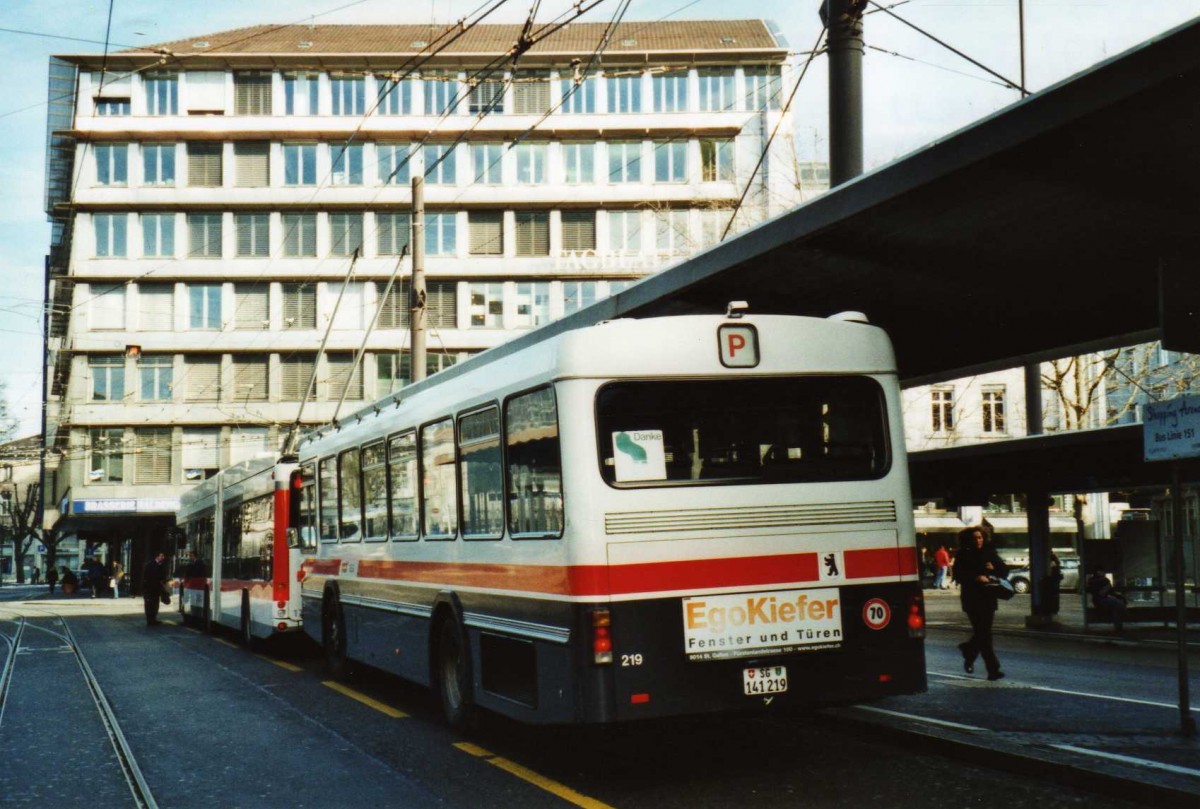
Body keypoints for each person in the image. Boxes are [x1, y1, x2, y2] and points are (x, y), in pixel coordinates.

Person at [953, 526, 1009, 681]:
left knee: (984, 633)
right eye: (975, 538)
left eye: (980, 537)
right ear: (969, 540)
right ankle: (992, 669)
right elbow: (958, 574)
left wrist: (994, 567)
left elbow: (1004, 571)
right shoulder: (963, 554)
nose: (978, 540)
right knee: (984, 633)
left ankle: (969, 651)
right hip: (972, 599)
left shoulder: (990, 552)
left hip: (988, 597)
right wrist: (976, 578)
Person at [1086, 565, 1127, 631]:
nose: (1104, 573)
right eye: (1102, 572)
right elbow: (1107, 592)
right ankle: (1119, 624)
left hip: (1098, 600)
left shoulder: (1092, 580)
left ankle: (1118, 625)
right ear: (1098, 572)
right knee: (1118, 604)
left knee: (1116, 607)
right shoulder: (1103, 580)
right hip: (1101, 600)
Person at [142, 552, 168, 626]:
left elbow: (162, 577)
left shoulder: (161, 565)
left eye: (163, 556)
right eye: (161, 556)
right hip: (149, 589)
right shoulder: (150, 565)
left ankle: (153, 619)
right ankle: (150, 620)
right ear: (157, 557)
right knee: (149, 605)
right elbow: (147, 577)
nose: (163, 557)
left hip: (156, 589)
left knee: (155, 605)